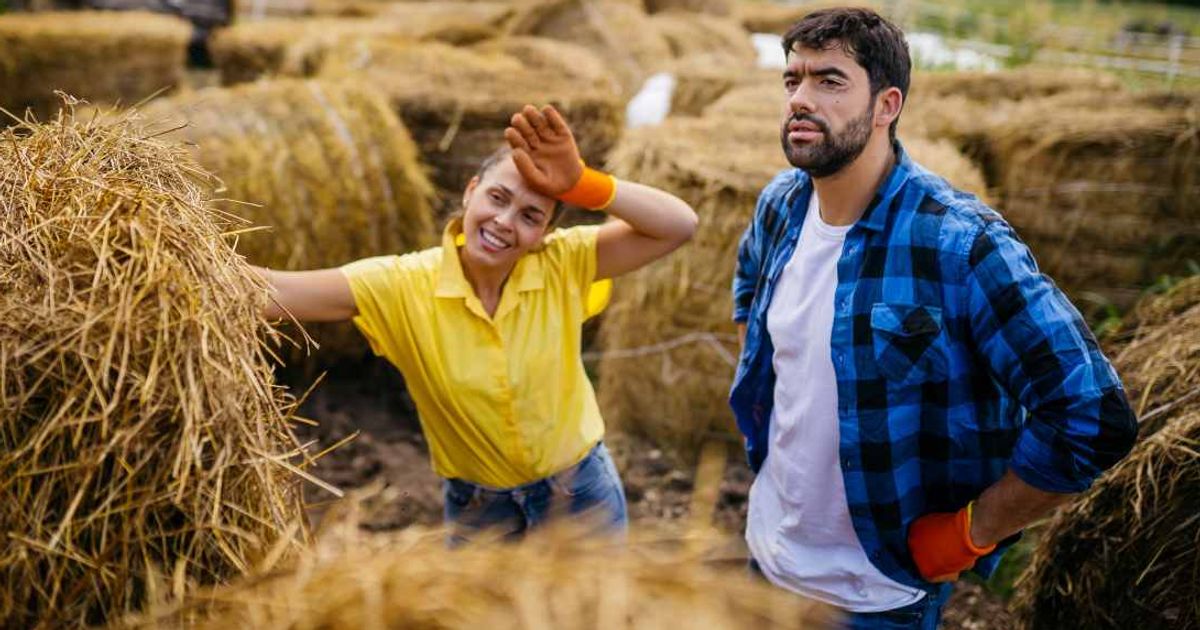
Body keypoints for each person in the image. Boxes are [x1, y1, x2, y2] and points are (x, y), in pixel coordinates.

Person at [729, 8, 1138, 628]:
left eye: (829, 81)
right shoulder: (779, 207)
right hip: (764, 558)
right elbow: (747, 302)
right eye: (793, 81)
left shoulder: (959, 243)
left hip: (877, 595)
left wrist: (972, 532)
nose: (801, 100)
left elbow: (1092, 414)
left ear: (886, 104)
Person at [257, 104, 698, 543]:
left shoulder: (564, 262)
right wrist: (188, 242)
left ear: (544, 232)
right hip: (483, 515)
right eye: (498, 198)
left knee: (590, 614)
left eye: (530, 216)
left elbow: (679, 224)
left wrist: (583, 183)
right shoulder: (402, 285)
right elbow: (275, 293)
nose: (504, 223)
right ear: (471, 191)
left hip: (581, 498)